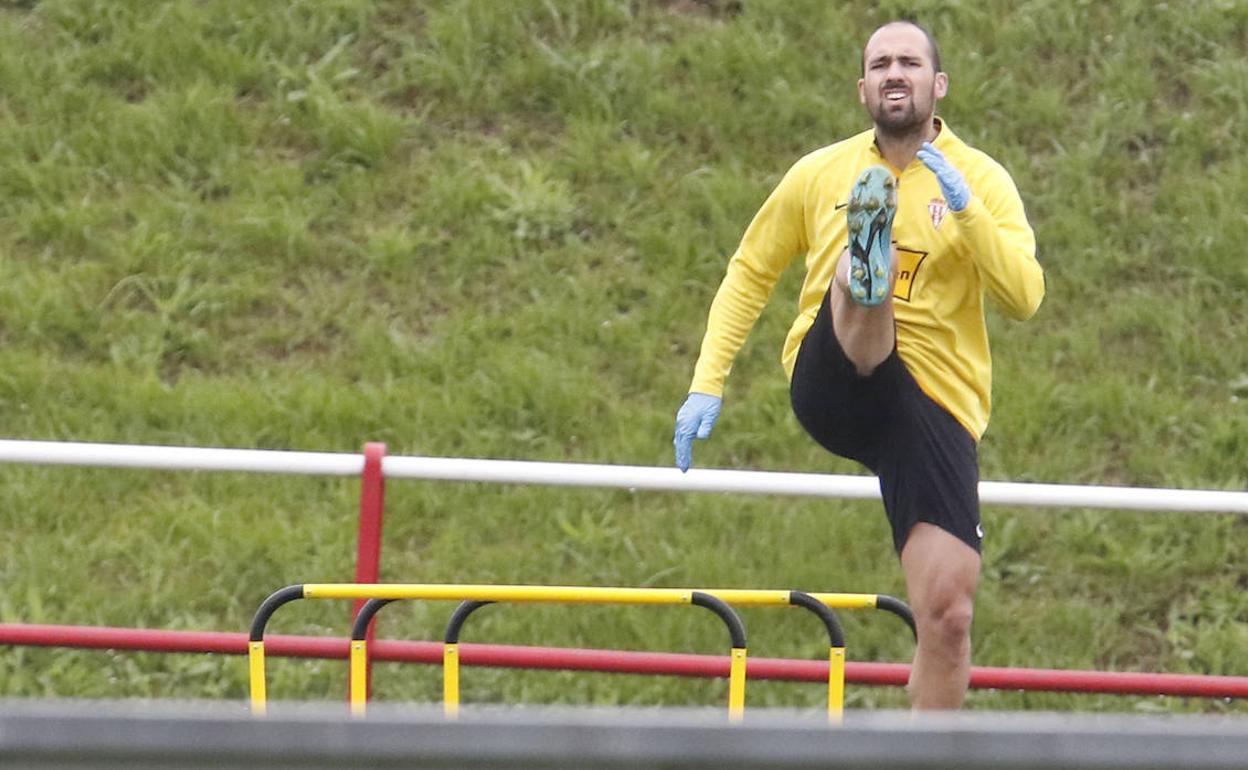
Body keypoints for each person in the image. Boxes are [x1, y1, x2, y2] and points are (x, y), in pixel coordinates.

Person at [671, 20, 1044, 709]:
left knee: (949, 618)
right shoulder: (820, 173)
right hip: (836, 375)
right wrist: (706, 383)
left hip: (931, 402)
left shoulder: (983, 180)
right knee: (857, 271)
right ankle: (865, 271)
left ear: (938, 85)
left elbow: (1024, 296)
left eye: (908, 63)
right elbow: (750, 271)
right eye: (879, 64)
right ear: (862, 87)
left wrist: (965, 211)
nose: (893, 73)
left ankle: (924, 760)